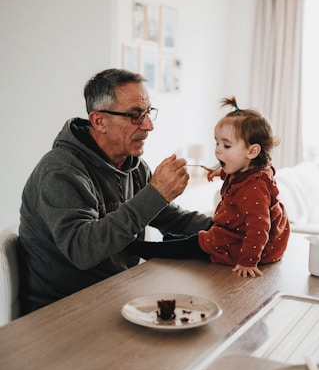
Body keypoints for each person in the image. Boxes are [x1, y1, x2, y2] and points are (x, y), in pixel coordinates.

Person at [18, 69, 212, 314]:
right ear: (99, 121)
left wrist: (230, 227)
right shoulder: (59, 172)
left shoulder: (134, 167)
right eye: (135, 115)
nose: (149, 126)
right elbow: (83, 250)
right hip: (62, 312)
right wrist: (155, 193)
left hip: (118, 293)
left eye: (148, 113)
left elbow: (171, 218)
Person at [127, 96, 291, 278]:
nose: (218, 150)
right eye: (217, 143)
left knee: (197, 245)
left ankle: (146, 249)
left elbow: (259, 228)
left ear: (252, 151)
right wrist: (220, 173)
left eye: (226, 145)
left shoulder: (255, 189)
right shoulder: (250, 171)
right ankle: (174, 240)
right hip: (238, 238)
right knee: (198, 240)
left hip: (244, 247)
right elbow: (239, 178)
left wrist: (248, 261)